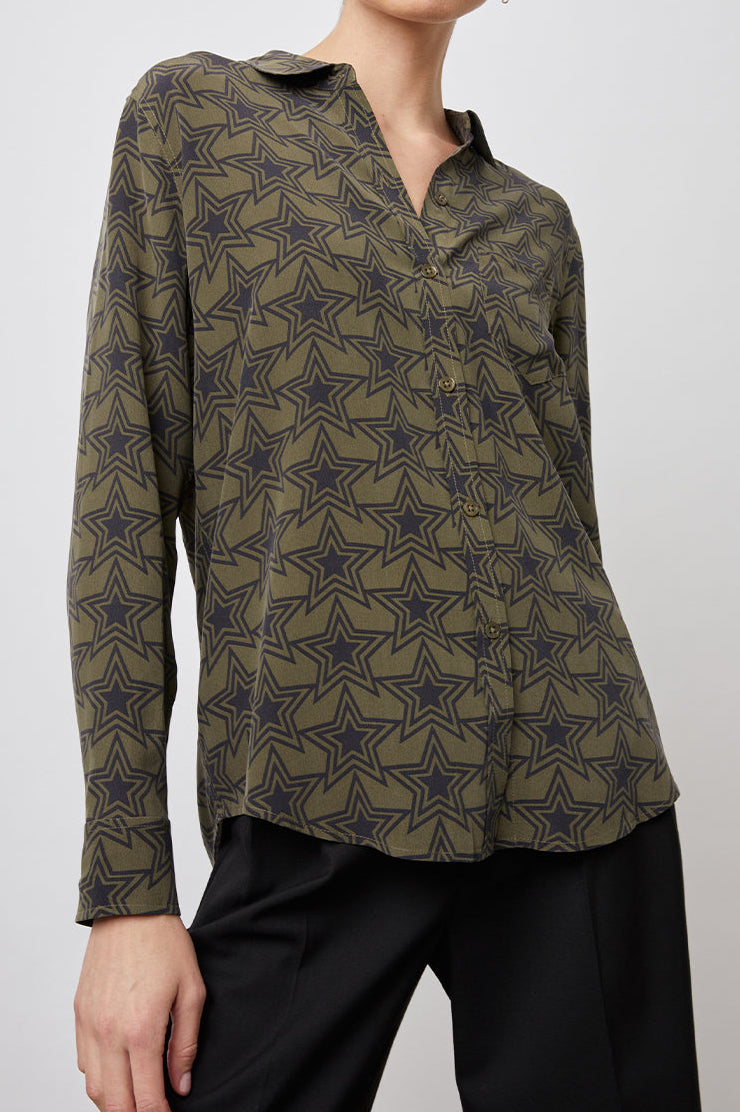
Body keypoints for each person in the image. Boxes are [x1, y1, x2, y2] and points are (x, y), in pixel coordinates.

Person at [67, 2, 703, 1110]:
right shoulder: (195, 119)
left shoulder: (534, 224)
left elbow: (571, 520)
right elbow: (120, 498)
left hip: (577, 781)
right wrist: (129, 893)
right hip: (312, 775)